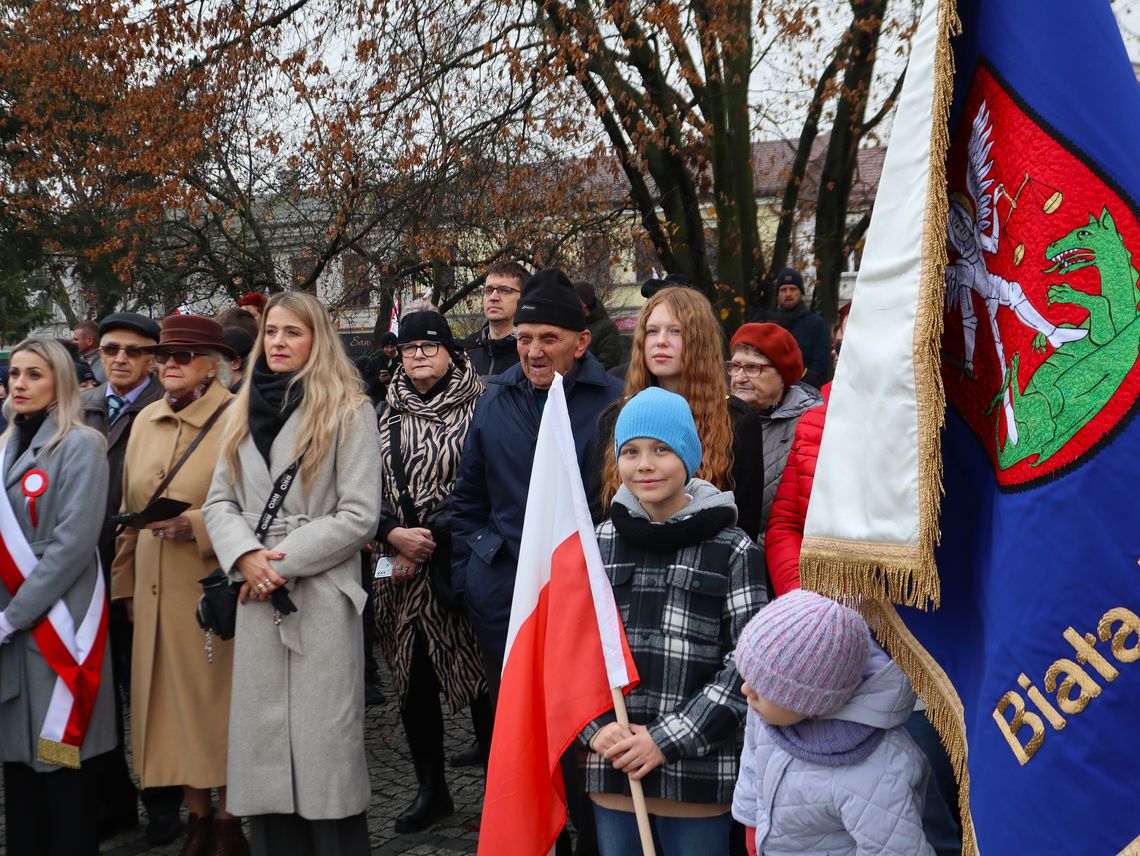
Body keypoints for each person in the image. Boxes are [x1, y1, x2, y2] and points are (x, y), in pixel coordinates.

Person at [452, 267, 622, 856]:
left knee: (587, 733)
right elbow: (467, 502)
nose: (532, 350)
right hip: (508, 603)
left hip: (586, 600)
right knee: (525, 732)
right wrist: (476, 573)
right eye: (524, 338)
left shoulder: (614, 404)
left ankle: (591, 837)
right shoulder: (495, 400)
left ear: (581, 341)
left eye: (548, 338)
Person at [204, 291, 382, 856]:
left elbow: (359, 514)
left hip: (320, 598)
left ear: (317, 339)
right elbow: (218, 503)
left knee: (323, 747)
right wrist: (244, 557)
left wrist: (274, 563)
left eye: (292, 332)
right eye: (272, 332)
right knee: (264, 751)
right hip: (258, 597)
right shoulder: (237, 409)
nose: (278, 342)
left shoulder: (350, 409)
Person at [581, 388, 766, 854]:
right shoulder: (594, 545)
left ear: (687, 455)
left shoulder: (733, 548)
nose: (645, 464)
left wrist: (665, 740)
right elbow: (566, 651)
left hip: (697, 772)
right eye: (631, 451)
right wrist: (595, 730)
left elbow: (748, 663)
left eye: (661, 450)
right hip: (615, 765)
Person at [111, 315, 245, 856]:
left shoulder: (239, 420)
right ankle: (197, 818)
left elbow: (259, 506)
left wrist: (197, 524)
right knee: (167, 710)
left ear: (211, 368)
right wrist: (124, 585)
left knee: (218, 708)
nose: (169, 364)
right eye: (164, 355)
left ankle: (230, 821)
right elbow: (129, 508)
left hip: (210, 588)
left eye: (183, 356)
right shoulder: (144, 421)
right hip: (151, 590)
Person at [373, 308, 493, 834]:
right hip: (397, 573)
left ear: (451, 352)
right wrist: (390, 533)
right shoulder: (382, 412)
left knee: (482, 683)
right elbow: (357, 487)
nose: (419, 356)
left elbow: (490, 481)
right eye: (409, 348)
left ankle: (500, 788)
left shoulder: (483, 404)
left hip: (462, 564)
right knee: (412, 682)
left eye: (429, 346)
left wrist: (433, 535)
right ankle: (431, 791)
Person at [0, 338, 114, 854]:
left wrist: (13, 616)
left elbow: (73, 543)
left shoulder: (82, 444)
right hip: (10, 632)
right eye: (15, 374)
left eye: (34, 375)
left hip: (57, 630)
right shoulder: (3, 447)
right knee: (18, 767)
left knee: (59, 760)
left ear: (60, 382)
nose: (19, 384)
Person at [80, 312, 186, 845]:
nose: (119, 358)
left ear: (153, 358)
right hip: (82, 578)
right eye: (110, 349)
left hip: (144, 573)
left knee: (148, 692)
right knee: (92, 694)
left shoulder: (165, 407)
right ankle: (111, 800)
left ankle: (164, 804)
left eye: (133, 351)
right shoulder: (80, 408)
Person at [732, 590, 934, 856]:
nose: (746, 690)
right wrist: (751, 826)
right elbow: (753, 764)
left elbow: (897, 849)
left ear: (811, 705)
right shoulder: (765, 714)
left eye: (763, 687)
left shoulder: (875, 772)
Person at [599, 286, 765, 541]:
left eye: (675, 331)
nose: (660, 341)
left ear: (699, 341)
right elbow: (602, 514)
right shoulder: (617, 416)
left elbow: (745, 523)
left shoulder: (736, 419)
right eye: (652, 331)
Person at [727, 323, 822, 539]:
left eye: (752, 368)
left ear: (782, 375)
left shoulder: (809, 428)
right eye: (735, 366)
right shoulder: (718, 420)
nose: (739, 377)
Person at [462, 260, 527, 378]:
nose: (493, 297)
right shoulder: (467, 354)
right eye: (488, 290)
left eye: (505, 290)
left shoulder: (530, 356)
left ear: (523, 298)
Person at [773, 268, 831, 388]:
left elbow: (819, 367)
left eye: (793, 289)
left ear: (801, 293)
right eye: (783, 289)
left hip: (808, 395)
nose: (788, 293)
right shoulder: (770, 326)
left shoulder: (817, 325)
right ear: (778, 294)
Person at [574, 280, 623, 370]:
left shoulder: (607, 327)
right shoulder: (571, 325)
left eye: (573, 297)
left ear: (584, 303)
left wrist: (581, 374)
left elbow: (609, 361)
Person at [73, 319, 107, 383]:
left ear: (89, 341)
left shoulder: (105, 365)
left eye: (76, 339)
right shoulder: (79, 361)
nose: (72, 342)